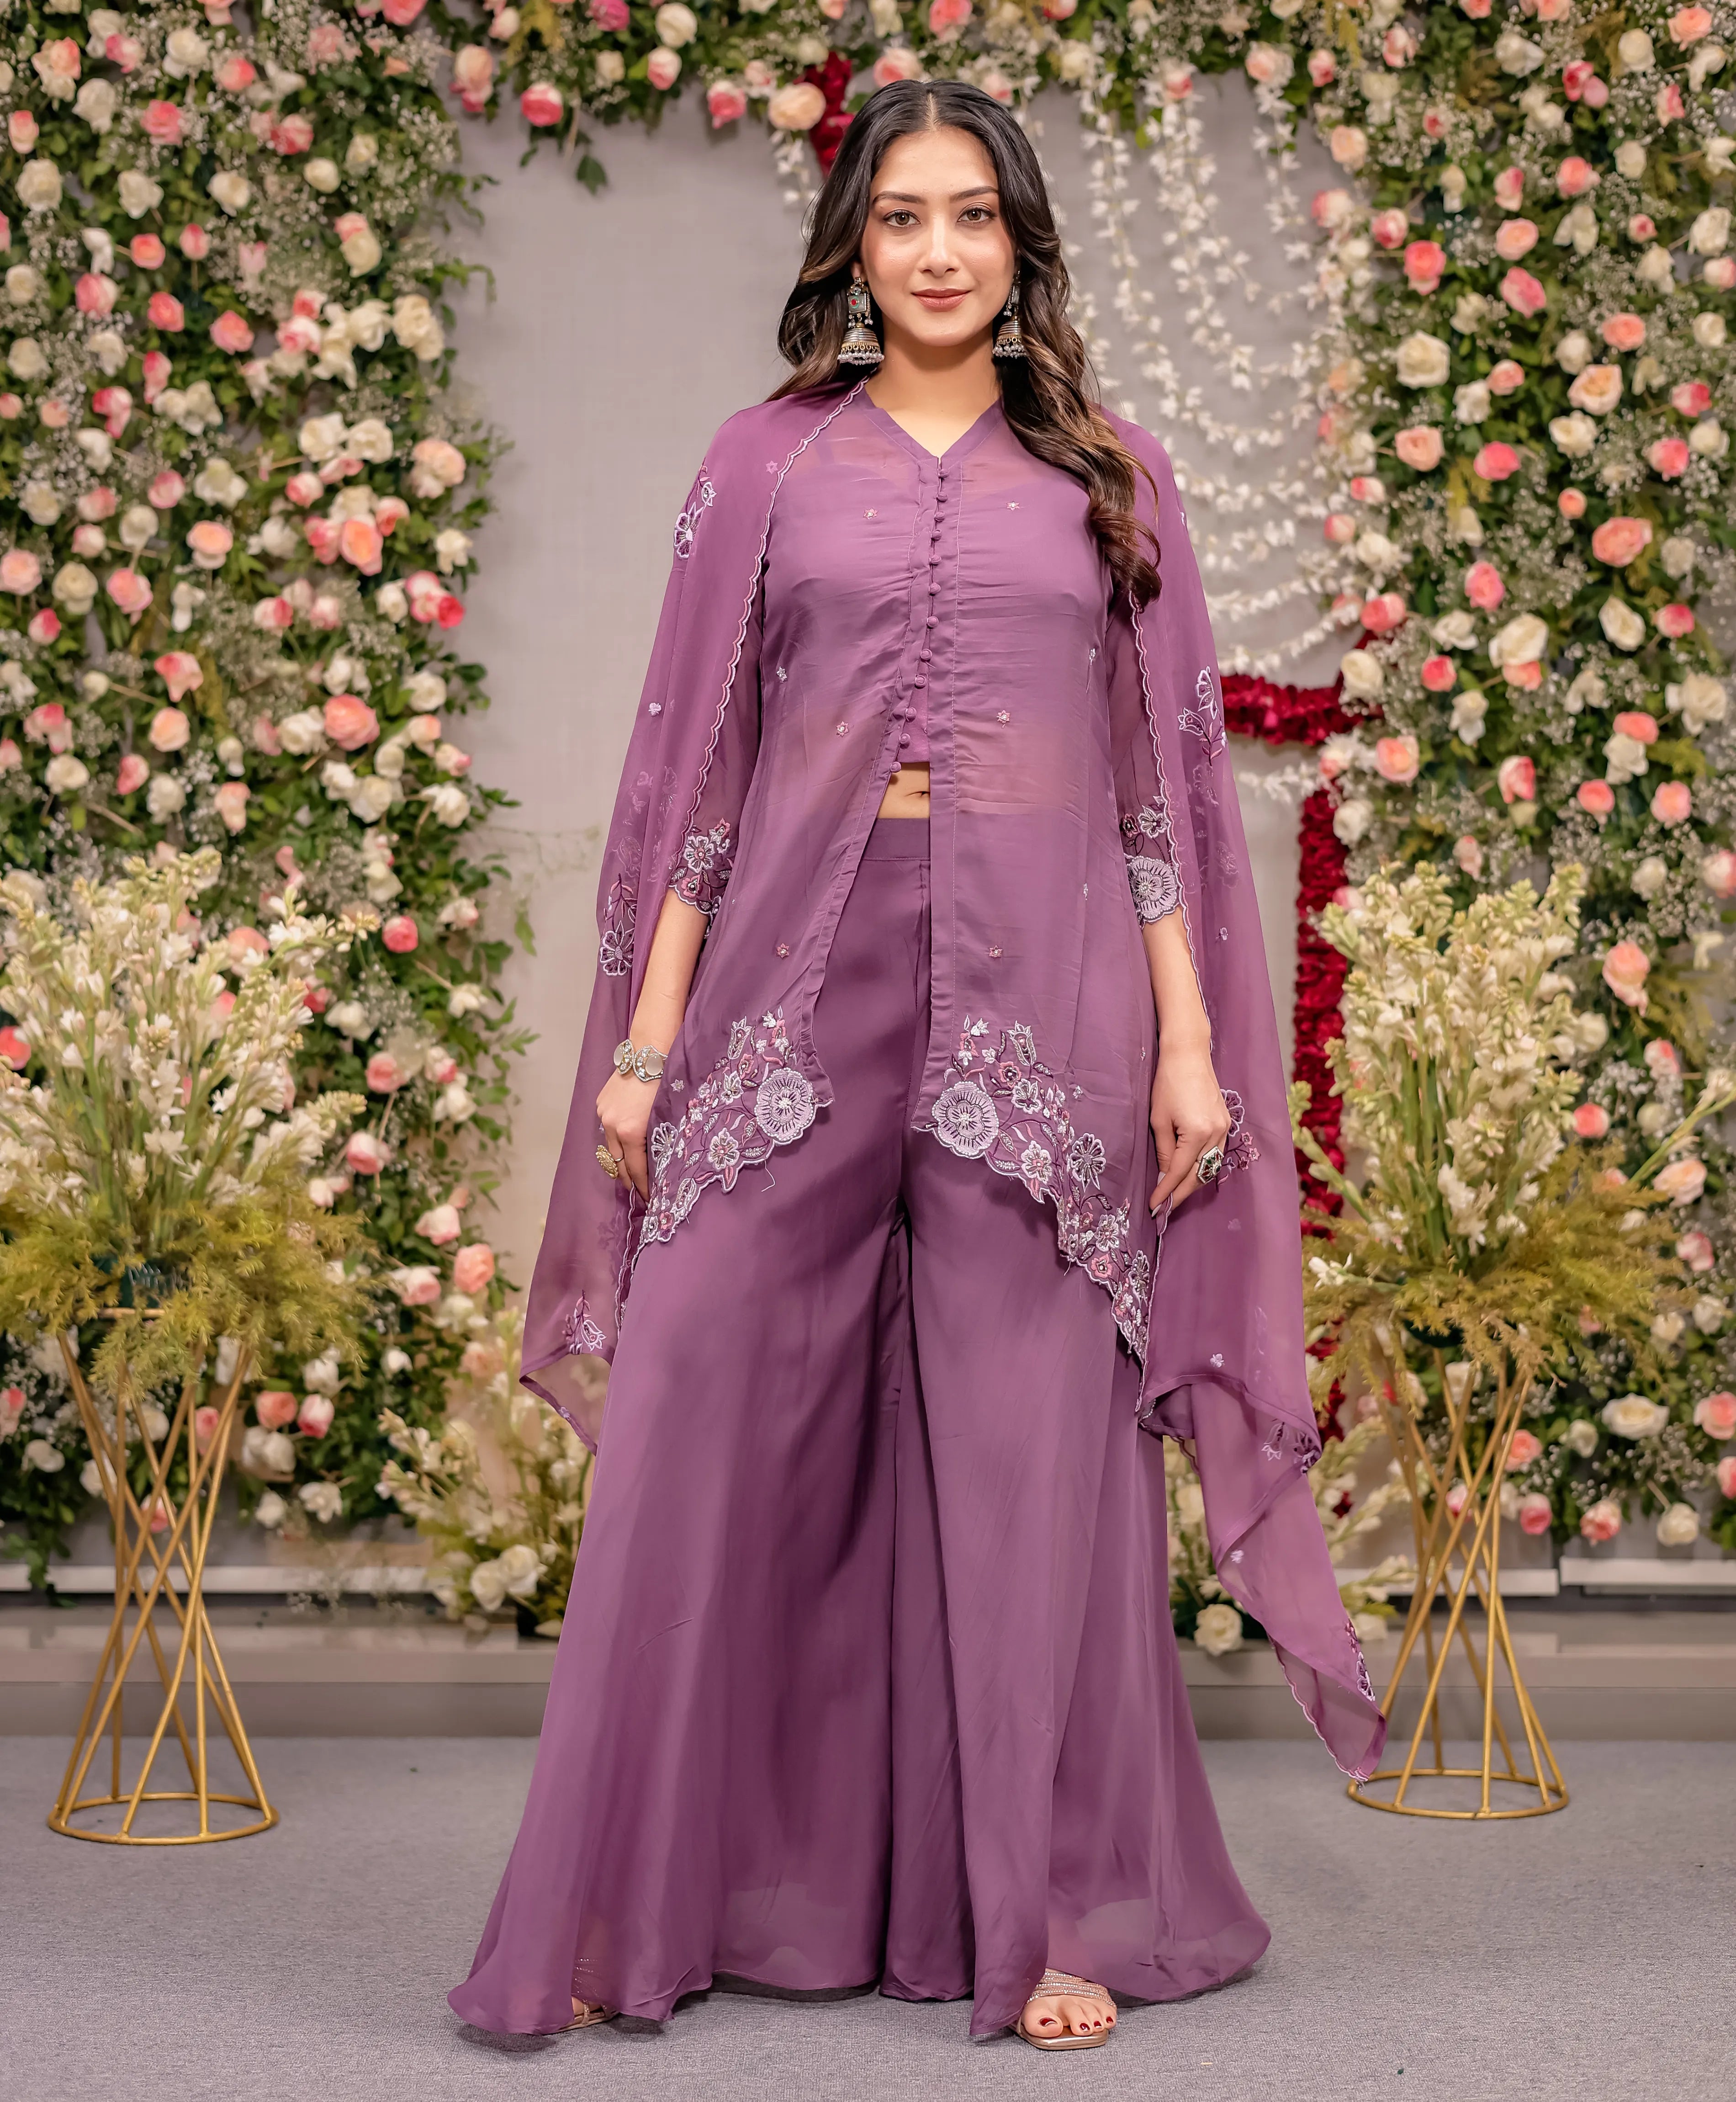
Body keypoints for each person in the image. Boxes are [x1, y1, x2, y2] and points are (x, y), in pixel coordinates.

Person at [450, 78, 1383, 2054]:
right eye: (899, 218)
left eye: (971, 215)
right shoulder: (763, 465)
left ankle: (1037, 1913)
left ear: (1020, 245)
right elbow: (691, 773)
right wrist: (638, 1044)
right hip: (789, 982)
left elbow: (1162, 800)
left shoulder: (1112, 476)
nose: (938, 250)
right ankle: (654, 1888)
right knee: (702, 1400)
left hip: (1046, 998)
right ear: (851, 247)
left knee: (1032, 1452)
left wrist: (1195, 1048)